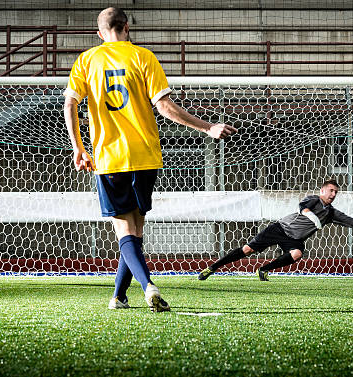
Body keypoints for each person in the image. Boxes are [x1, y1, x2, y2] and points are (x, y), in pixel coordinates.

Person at [63, 7, 237, 312]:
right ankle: (119, 296)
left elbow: (70, 105)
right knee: (136, 231)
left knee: (123, 232)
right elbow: (165, 107)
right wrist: (208, 127)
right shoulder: (144, 57)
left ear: (99, 33)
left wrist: (79, 147)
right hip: (145, 155)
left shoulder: (86, 60)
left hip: (110, 157)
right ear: (127, 28)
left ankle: (148, 286)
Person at [198, 179, 353, 281]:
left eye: (335, 192)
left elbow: (351, 221)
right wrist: (312, 216)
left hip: (295, 239)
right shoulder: (314, 199)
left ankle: (264, 270)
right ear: (323, 190)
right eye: (330, 190)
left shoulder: (331, 212)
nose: (333, 194)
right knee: (248, 250)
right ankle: (212, 267)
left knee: (297, 253)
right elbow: (303, 206)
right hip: (281, 228)